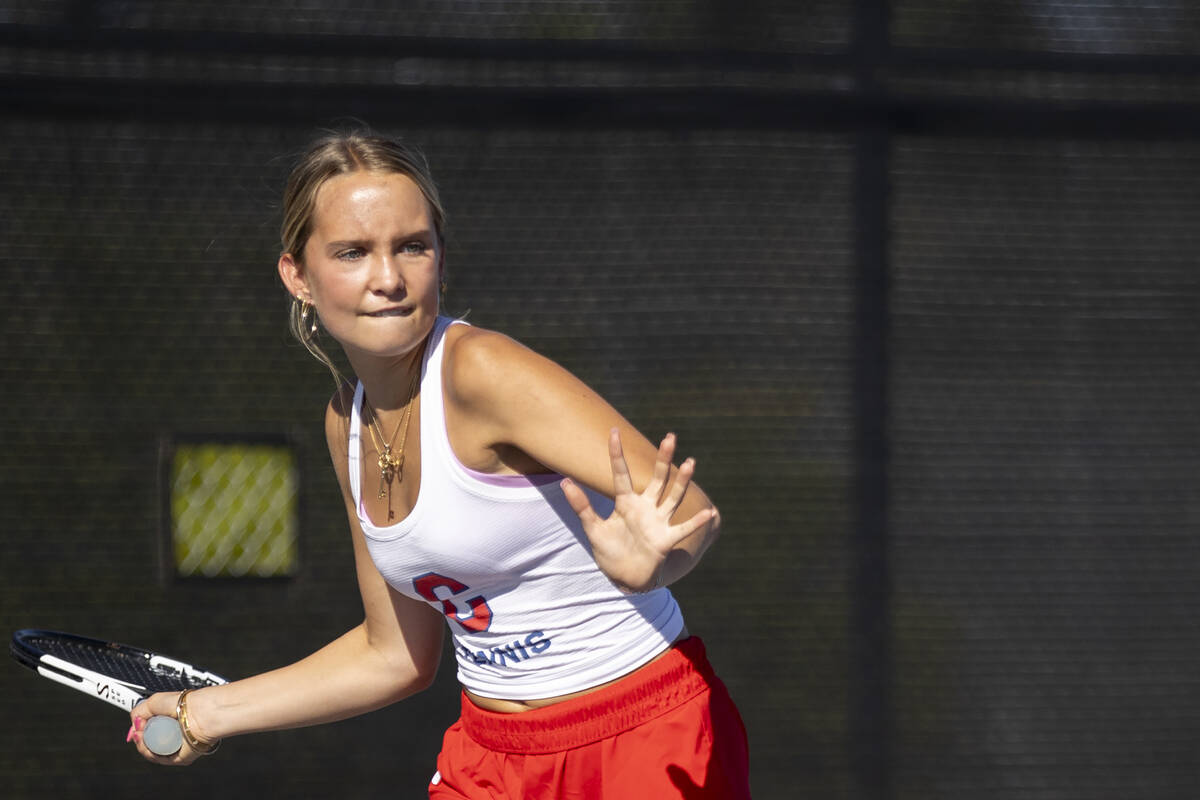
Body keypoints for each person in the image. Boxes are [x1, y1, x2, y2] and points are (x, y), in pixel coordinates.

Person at [129, 132, 751, 798]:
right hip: (489, 758)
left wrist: (661, 561)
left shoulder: (483, 372)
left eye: (412, 247)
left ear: (441, 260)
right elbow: (393, 655)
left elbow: (690, 512)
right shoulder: (347, 422)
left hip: (643, 733)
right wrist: (206, 714)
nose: (389, 278)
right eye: (353, 252)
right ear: (299, 277)